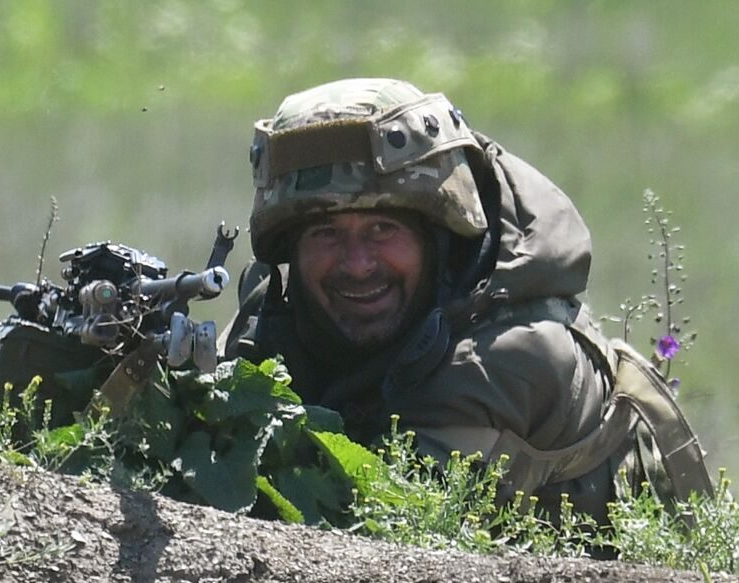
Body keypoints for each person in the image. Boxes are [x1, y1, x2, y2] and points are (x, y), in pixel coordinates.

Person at [223, 78, 712, 523]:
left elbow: (373, 536)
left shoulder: (508, 360)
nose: (357, 264)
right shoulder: (289, 316)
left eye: (383, 229)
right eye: (326, 233)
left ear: (443, 238)